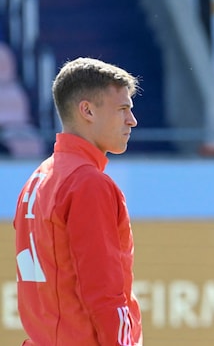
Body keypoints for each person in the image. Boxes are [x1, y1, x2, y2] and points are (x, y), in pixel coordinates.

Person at [13, 57, 143, 345]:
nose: (132, 120)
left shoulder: (37, 179)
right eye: (123, 109)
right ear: (87, 110)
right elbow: (104, 294)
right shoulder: (88, 183)